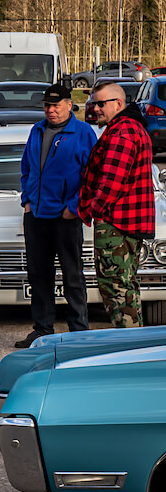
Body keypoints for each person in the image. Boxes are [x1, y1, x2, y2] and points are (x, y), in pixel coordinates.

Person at [14, 84, 98, 348]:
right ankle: (42, 329)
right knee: (39, 274)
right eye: (47, 106)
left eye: (56, 105)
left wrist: (73, 207)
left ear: (69, 105)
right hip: (36, 215)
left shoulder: (83, 133)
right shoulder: (37, 130)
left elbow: (91, 176)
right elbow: (26, 167)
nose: (51, 110)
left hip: (65, 217)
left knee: (72, 275)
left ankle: (78, 332)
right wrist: (26, 199)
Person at [78, 82, 154, 327]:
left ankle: (129, 347)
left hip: (117, 224)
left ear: (118, 104)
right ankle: (134, 345)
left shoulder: (122, 132)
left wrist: (94, 210)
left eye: (101, 104)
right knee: (126, 287)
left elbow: (112, 182)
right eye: (93, 104)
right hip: (125, 222)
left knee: (116, 290)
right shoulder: (129, 129)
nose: (96, 109)